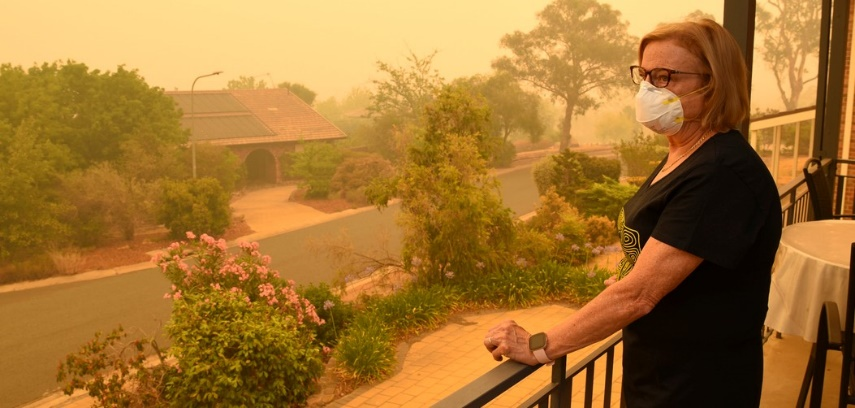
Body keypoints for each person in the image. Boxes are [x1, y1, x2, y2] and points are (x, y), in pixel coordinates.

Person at [484, 18, 782, 407]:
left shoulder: (719, 174)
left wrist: (539, 346)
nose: (648, 90)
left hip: (697, 385)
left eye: (665, 77)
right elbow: (664, 263)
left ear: (714, 83)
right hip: (659, 372)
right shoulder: (684, 152)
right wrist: (636, 275)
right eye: (643, 76)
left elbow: (638, 297)